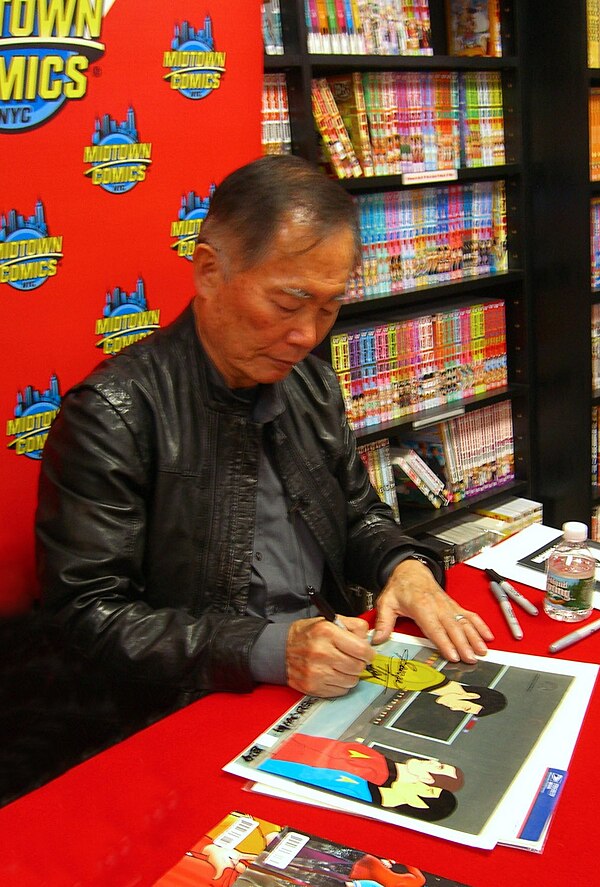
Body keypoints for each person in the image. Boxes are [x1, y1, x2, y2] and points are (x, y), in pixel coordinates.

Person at [36, 155, 492, 727]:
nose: (305, 336)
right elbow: (88, 615)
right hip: (200, 702)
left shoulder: (308, 382)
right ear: (209, 272)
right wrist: (266, 648)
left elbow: (357, 513)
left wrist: (404, 567)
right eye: (286, 304)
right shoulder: (116, 414)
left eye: (328, 310)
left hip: (333, 672)